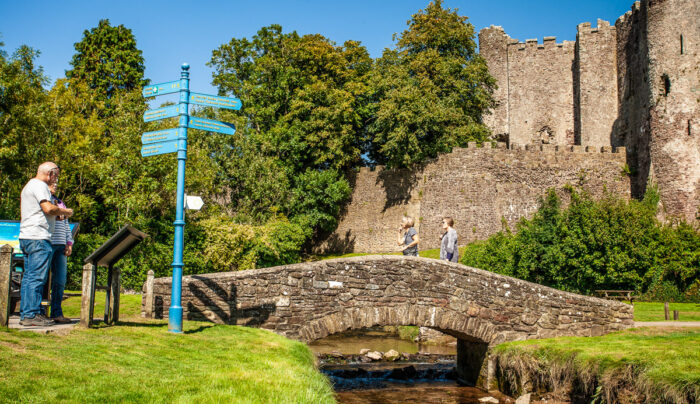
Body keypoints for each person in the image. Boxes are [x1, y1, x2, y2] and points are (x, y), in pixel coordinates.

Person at [18, 162, 73, 327]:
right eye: (56, 175)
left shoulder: (30, 185)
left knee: (29, 277)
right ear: (51, 174)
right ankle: (31, 314)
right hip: (38, 237)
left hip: (27, 236)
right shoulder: (40, 185)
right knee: (37, 277)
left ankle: (27, 313)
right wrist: (65, 211)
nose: (55, 179)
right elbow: (48, 208)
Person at [48, 181, 73, 324]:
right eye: (52, 183)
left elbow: (66, 225)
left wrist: (69, 242)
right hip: (48, 243)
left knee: (60, 281)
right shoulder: (45, 202)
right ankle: (38, 312)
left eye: (57, 184)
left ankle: (56, 313)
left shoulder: (60, 202)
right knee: (43, 279)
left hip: (61, 245)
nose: (55, 185)